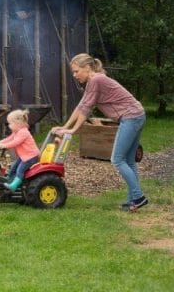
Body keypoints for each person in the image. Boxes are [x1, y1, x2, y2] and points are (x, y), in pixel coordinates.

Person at [52, 53, 148, 212]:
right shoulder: (94, 81)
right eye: (73, 72)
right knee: (129, 161)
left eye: (77, 71)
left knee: (117, 159)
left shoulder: (96, 80)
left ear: (88, 68)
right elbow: (81, 106)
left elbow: (86, 109)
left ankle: (138, 197)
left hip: (131, 117)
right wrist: (65, 127)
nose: (75, 75)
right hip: (137, 115)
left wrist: (74, 130)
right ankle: (133, 201)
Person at [0, 109, 40, 191]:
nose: (9, 125)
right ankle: (10, 179)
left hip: (31, 157)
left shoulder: (23, 132)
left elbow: (15, 142)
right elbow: (9, 138)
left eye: (10, 123)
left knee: (20, 170)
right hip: (24, 156)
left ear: (18, 123)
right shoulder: (17, 132)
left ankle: (14, 186)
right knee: (14, 166)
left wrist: (4, 146)